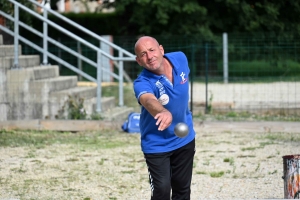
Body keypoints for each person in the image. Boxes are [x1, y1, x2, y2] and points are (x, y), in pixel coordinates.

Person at [133, 36, 196, 200]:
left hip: (184, 138)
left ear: (161, 49)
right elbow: (148, 99)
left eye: (152, 50)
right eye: (143, 54)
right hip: (157, 144)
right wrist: (162, 111)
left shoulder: (180, 59)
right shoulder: (142, 82)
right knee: (161, 190)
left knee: (182, 190)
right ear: (138, 60)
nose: (149, 56)